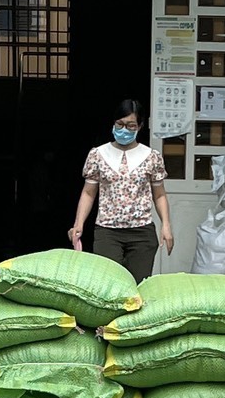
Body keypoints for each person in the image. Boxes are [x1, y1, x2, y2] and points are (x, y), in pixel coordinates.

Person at [68, 98, 172, 277]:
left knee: (137, 284)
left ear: (140, 126)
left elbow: (159, 194)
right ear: (113, 123)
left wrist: (166, 225)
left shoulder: (151, 157)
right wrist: (79, 223)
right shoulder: (98, 155)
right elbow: (88, 192)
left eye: (131, 125)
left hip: (142, 232)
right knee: (108, 281)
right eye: (120, 124)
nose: (124, 130)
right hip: (107, 232)